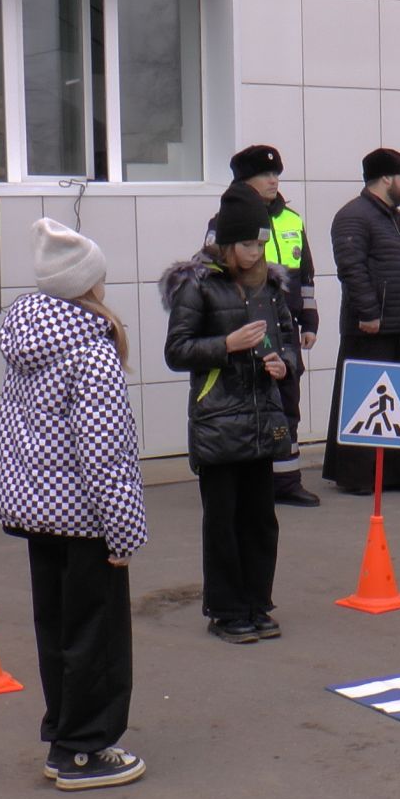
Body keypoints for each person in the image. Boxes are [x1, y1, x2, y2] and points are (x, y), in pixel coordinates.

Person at [0, 217, 148, 791]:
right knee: (96, 634)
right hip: (85, 515)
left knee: (56, 627)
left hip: (38, 509)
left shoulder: (27, 338)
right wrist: (124, 534)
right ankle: (83, 750)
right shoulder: (91, 350)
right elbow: (105, 452)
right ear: (89, 283)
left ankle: (64, 734)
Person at [165, 186, 303, 643]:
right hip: (219, 420)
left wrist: (284, 364)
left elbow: (287, 339)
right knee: (222, 520)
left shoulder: (272, 285)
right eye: (247, 244)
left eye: (261, 244)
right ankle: (226, 611)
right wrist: (226, 345)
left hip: (263, 419)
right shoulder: (197, 284)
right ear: (227, 243)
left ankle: (258, 603)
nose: (255, 252)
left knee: (260, 519)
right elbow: (177, 350)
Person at [215, 145, 321, 507]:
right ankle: (253, 483)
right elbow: (212, 279)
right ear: (244, 181)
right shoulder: (224, 223)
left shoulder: (292, 220)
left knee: (287, 403)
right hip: (246, 330)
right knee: (249, 406)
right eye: (265, 175)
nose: (274, 180)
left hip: (285, 327)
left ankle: (287, 480)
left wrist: (309, 319)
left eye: (276, 174)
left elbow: (306, 277)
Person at [324, 148, 400, 494]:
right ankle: (358, 476)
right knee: (366, 403)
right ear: (387, 178)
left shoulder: (391, 218)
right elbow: (350, 268)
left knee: (398, 402)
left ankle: (399, 472)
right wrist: (368, 313)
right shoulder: (354, 216)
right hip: (371, 329)